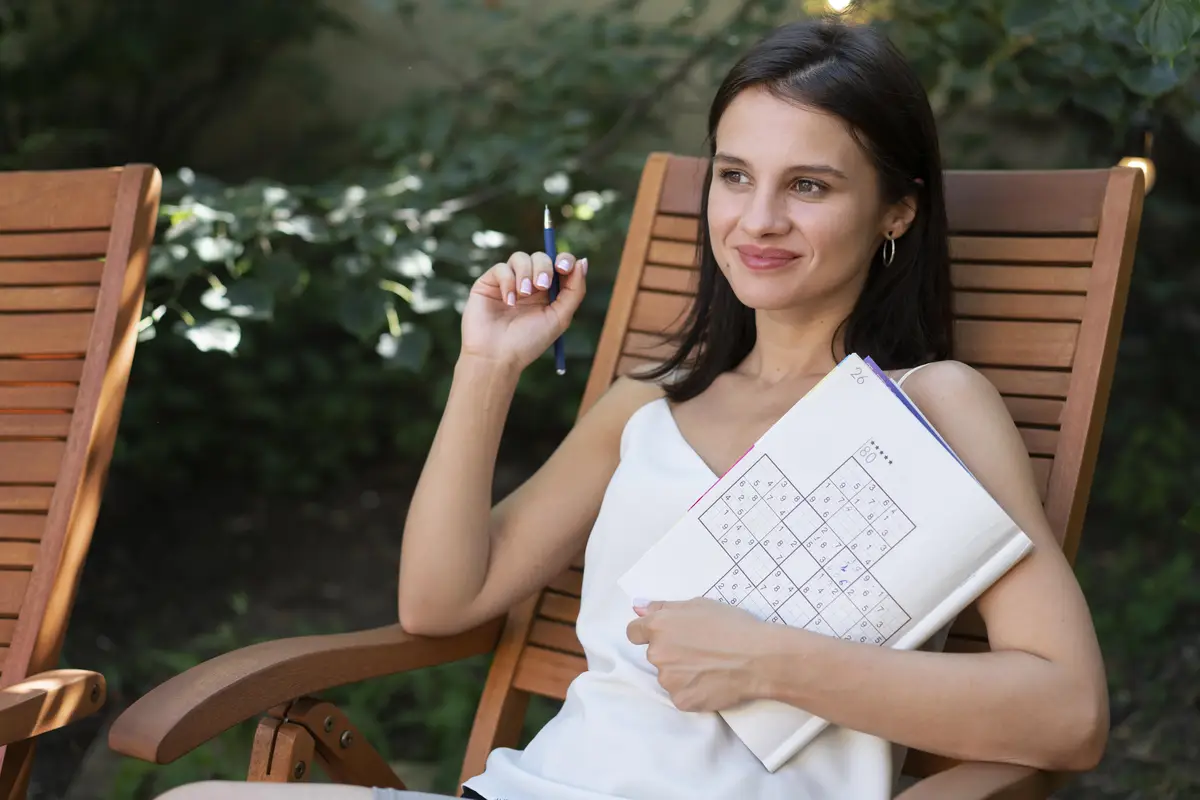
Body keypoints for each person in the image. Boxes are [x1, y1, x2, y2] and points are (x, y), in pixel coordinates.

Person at [158, 16, 1109, 800]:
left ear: (897, 210)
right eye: (735, 176)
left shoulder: (931, 408)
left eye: (808, 186)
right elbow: (441, 600)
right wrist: (486, 369)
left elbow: (1067, 715)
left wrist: (771, 662)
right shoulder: (648, 402)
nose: (758, 219)